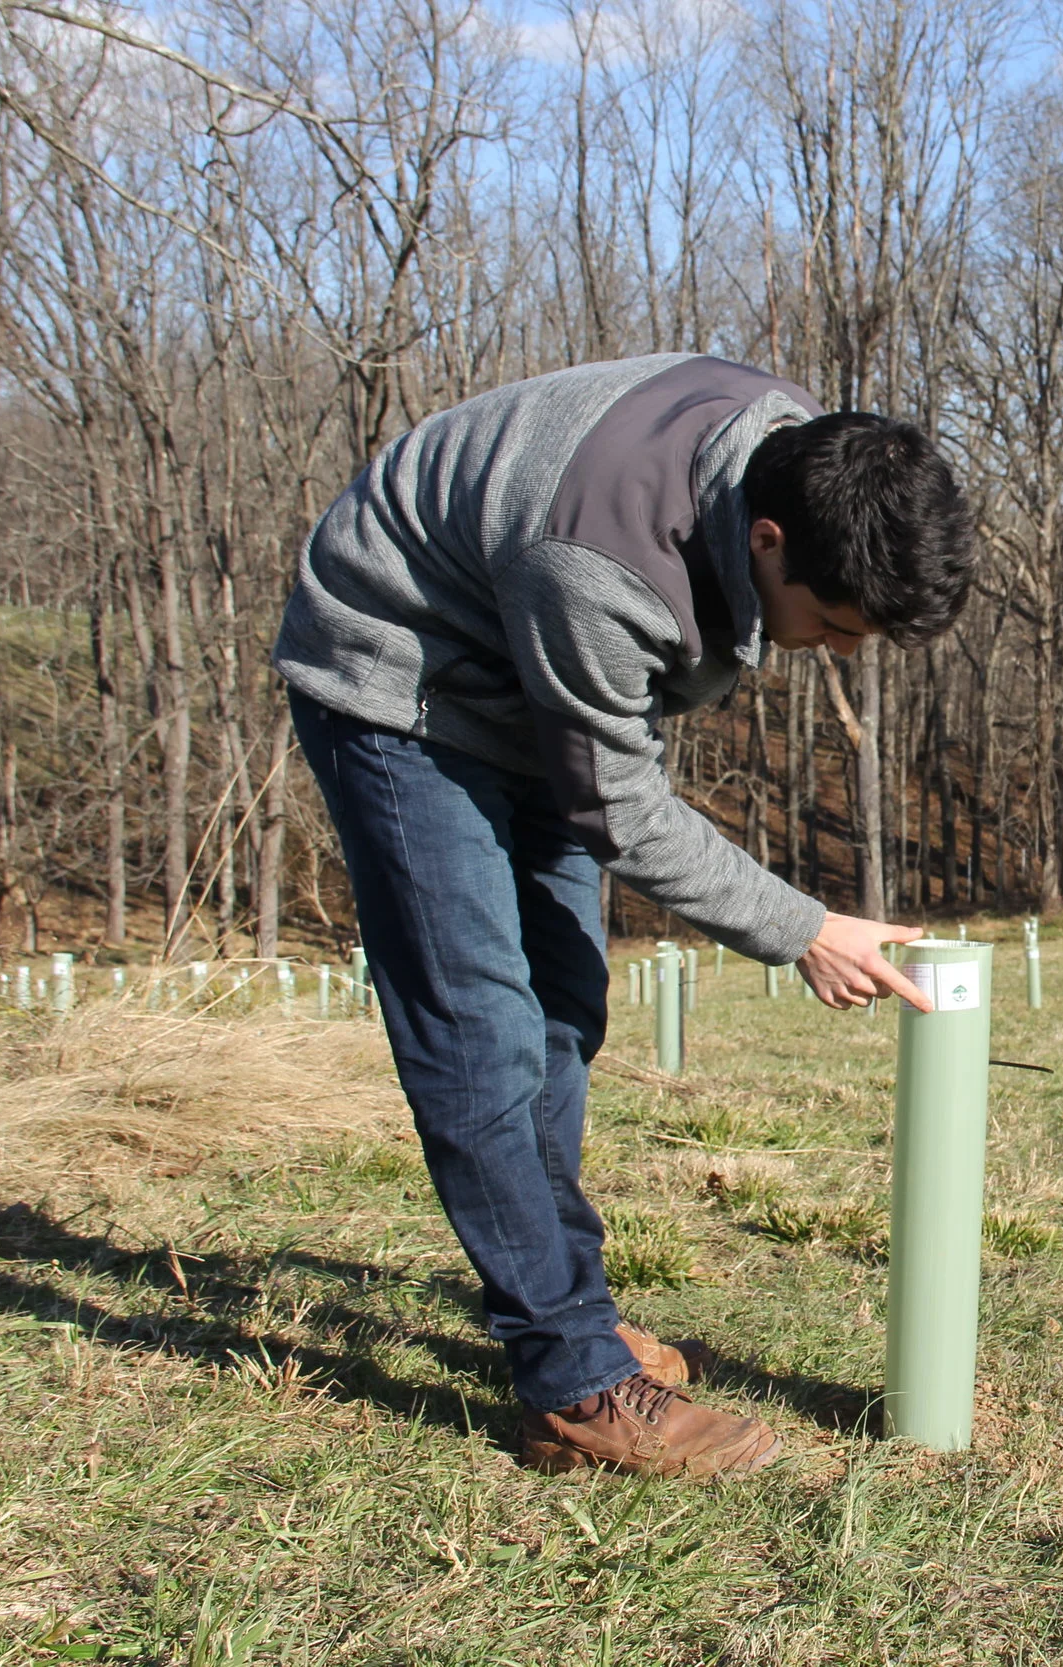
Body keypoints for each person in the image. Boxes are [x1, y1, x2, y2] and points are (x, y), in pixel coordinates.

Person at [271, 354, 973, 1479]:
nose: (842, 655)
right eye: (837, 625)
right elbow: (622, 809)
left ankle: (570, 1312)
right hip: (406, 675)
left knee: (563, 1008)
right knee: (480, 1031)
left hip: (526, 677)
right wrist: (802, 926)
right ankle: (575, 1384)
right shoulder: (598, 563)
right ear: (769, 541)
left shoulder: (798, 451)